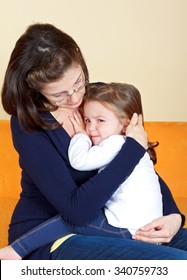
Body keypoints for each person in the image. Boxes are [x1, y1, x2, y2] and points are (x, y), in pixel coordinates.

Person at [0, 23, 187, 260]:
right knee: (177, 263)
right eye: (59, 94)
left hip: (112, 223)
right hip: (50, 235)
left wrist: (173, 217)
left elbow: (139, 171)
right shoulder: (28, 124)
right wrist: (133, 148)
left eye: (79, 82)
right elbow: (77, 211)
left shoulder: (96, 97)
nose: (76, 97)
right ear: (35, 88)